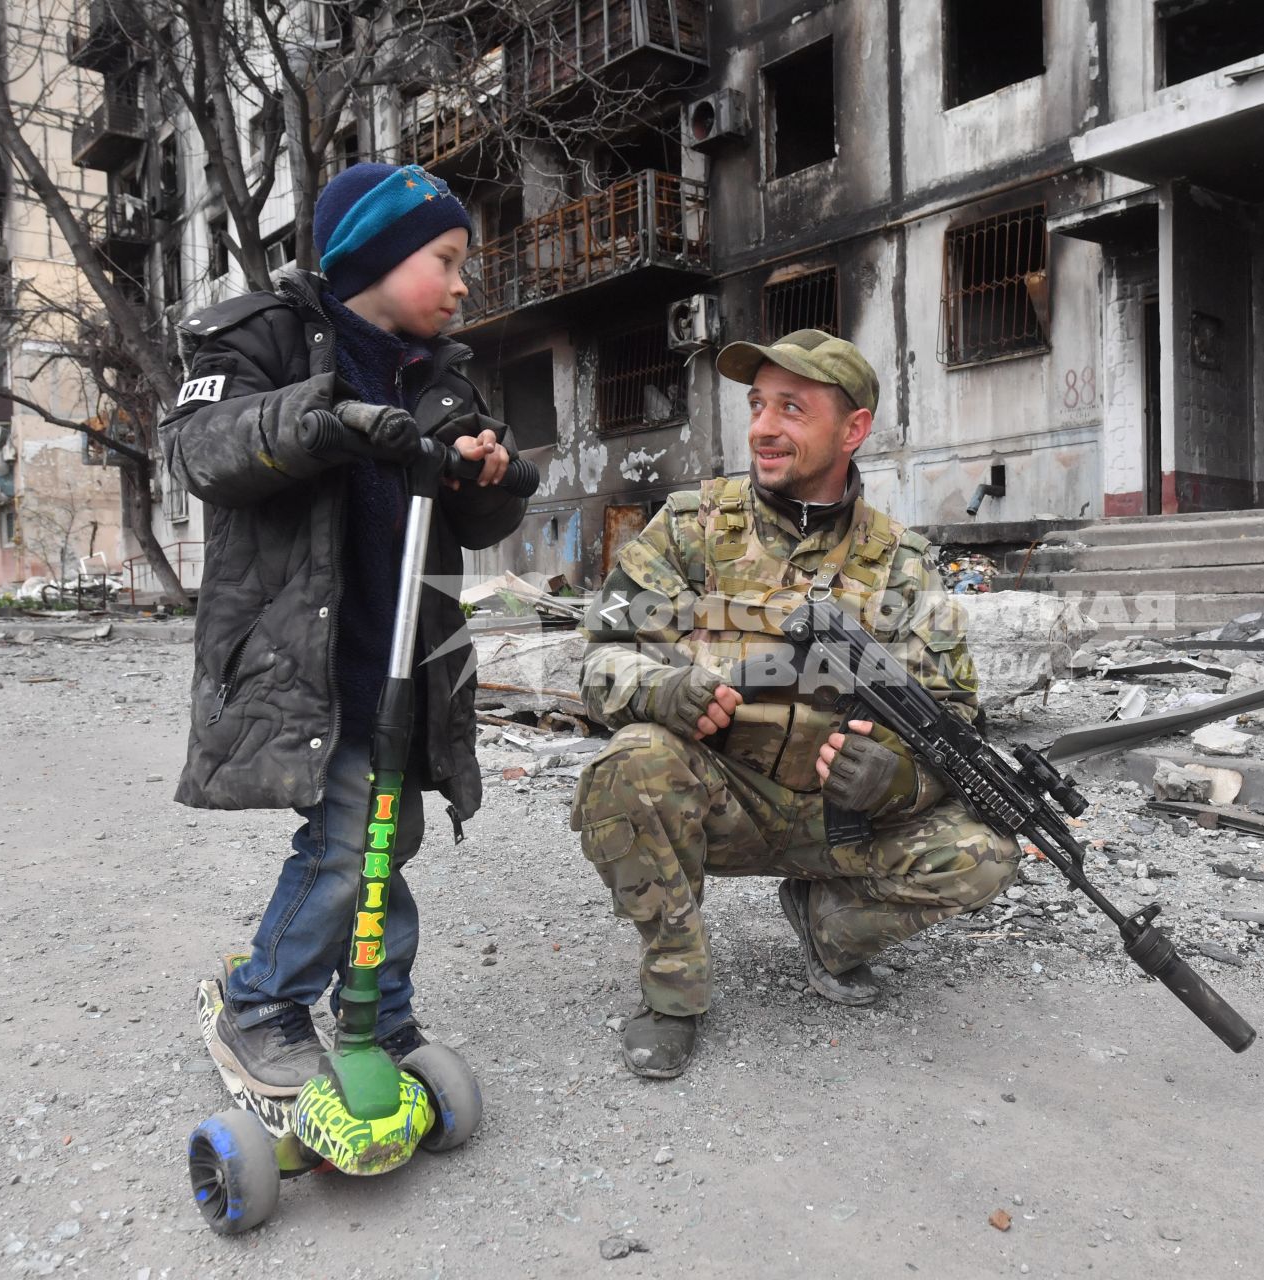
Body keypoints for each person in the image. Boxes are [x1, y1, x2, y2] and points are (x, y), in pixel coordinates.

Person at [161, 162, 526, 1098]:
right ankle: (258, 1002)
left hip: (402, 654)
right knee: (347, 841)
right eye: (444, 259)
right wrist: (330, 421)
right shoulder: (261, 336)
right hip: (303, 658)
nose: (460, 284)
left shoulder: (444, 377)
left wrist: (485, 472)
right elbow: (204, 449)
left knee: (384, 841)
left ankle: (377, 1007)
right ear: (376, 255)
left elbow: (478, 526)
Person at [571, 329, 1020, 1079]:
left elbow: (956, 719)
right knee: (632, 766)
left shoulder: (903, 563)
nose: (763, 428)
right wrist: (660, 689)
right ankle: (675, 989)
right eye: (756, 405)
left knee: (987, 853)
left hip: (837, 817)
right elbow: (600, 657)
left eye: (792, 408)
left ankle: (828, 929)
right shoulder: (692, 527)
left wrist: (897, 779)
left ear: (853, 430)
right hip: (721, 799)